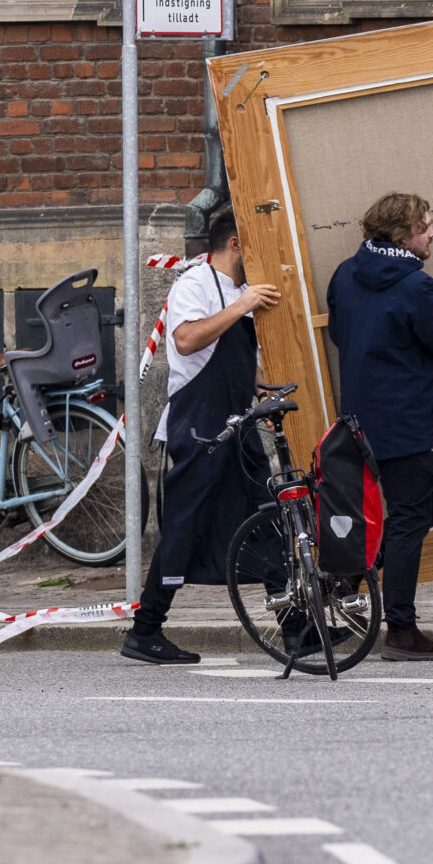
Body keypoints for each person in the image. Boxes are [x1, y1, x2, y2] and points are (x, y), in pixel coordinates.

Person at [124, 210, 279, 665]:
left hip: (235, 419)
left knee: (266, 512)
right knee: (185, 524)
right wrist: (242, 306)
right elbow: (188, 340)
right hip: (200, 424)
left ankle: (296, 629)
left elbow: (228, 353)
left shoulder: (234, 291)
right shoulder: (195, 284)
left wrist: (259, 389)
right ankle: (145, 630)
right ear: (235, 244)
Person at [325, 193, 433, 661]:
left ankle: (352, 574)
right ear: (404, 234)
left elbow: (338, 333)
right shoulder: (417, 287)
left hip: (362, 421)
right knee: (411, 517)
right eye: (426, 225)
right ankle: (401, 631)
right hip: (405, 422)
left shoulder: (345, 274)